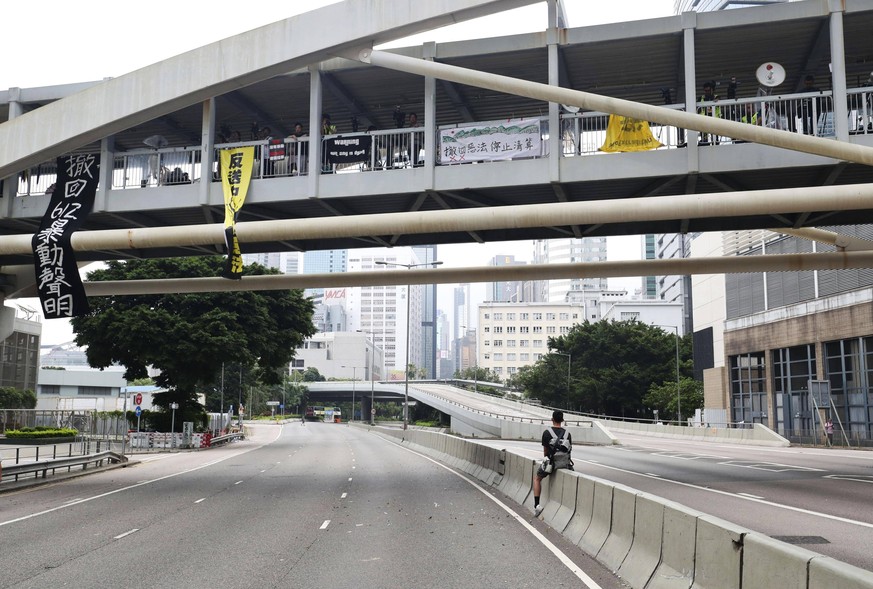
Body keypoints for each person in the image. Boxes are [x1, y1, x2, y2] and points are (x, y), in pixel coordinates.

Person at [533, 410, 573, 517]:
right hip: (564, 464)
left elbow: (545, 452)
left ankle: (537, 505)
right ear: (562, 420)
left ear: (552, 419)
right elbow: (569, 451)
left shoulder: (547, 433)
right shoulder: (567, 434)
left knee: (537, 478)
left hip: (552, 464)